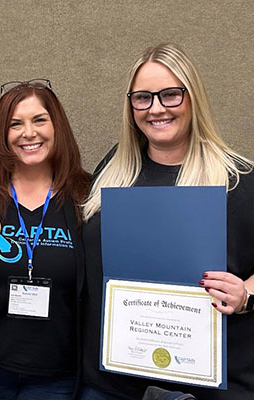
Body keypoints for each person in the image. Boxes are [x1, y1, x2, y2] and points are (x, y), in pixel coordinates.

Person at [79, 43, 254, 400]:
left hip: (210, 387)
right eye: (142, 98)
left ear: (193, 99)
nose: (156, 108)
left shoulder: (238, 178)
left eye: (171, 95)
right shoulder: (114, 170)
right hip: (112, 385)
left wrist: (247, 294)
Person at [0, 79, 91, 400]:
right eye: (15, 124)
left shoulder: (86, 196)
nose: (29, 132)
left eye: (39, 120)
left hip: (59, 376)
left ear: (58, 127)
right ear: (2, 133)